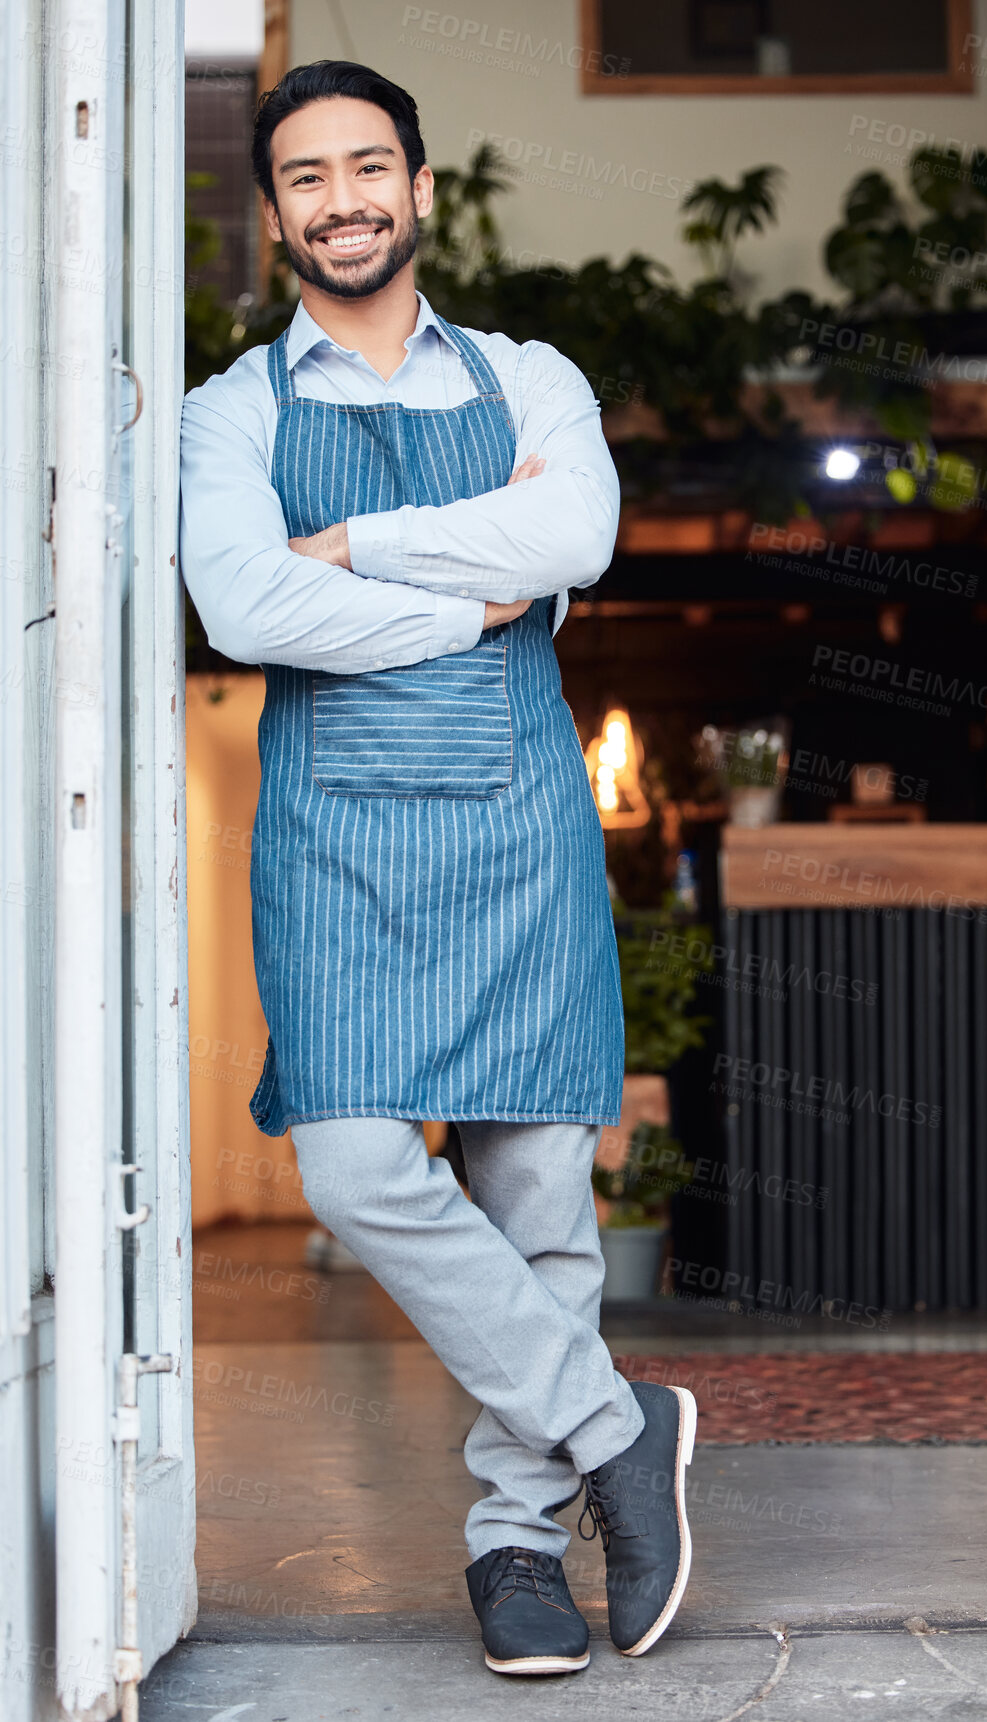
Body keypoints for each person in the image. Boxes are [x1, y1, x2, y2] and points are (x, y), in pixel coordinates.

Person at [179, 59, 696, 1676]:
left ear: (419, 187)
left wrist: (364, 551)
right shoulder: (231, 412)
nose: (343, 199)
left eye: (369, 167)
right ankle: (615, 1424)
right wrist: (471, 598)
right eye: (308, 177)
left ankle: (513, 1545)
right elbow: (247, 612)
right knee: (352, 1168)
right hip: (337, 842)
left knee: (536, 1196)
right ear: (275, 215)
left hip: (518, 823)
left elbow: (574, 539)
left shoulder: (533, 375)